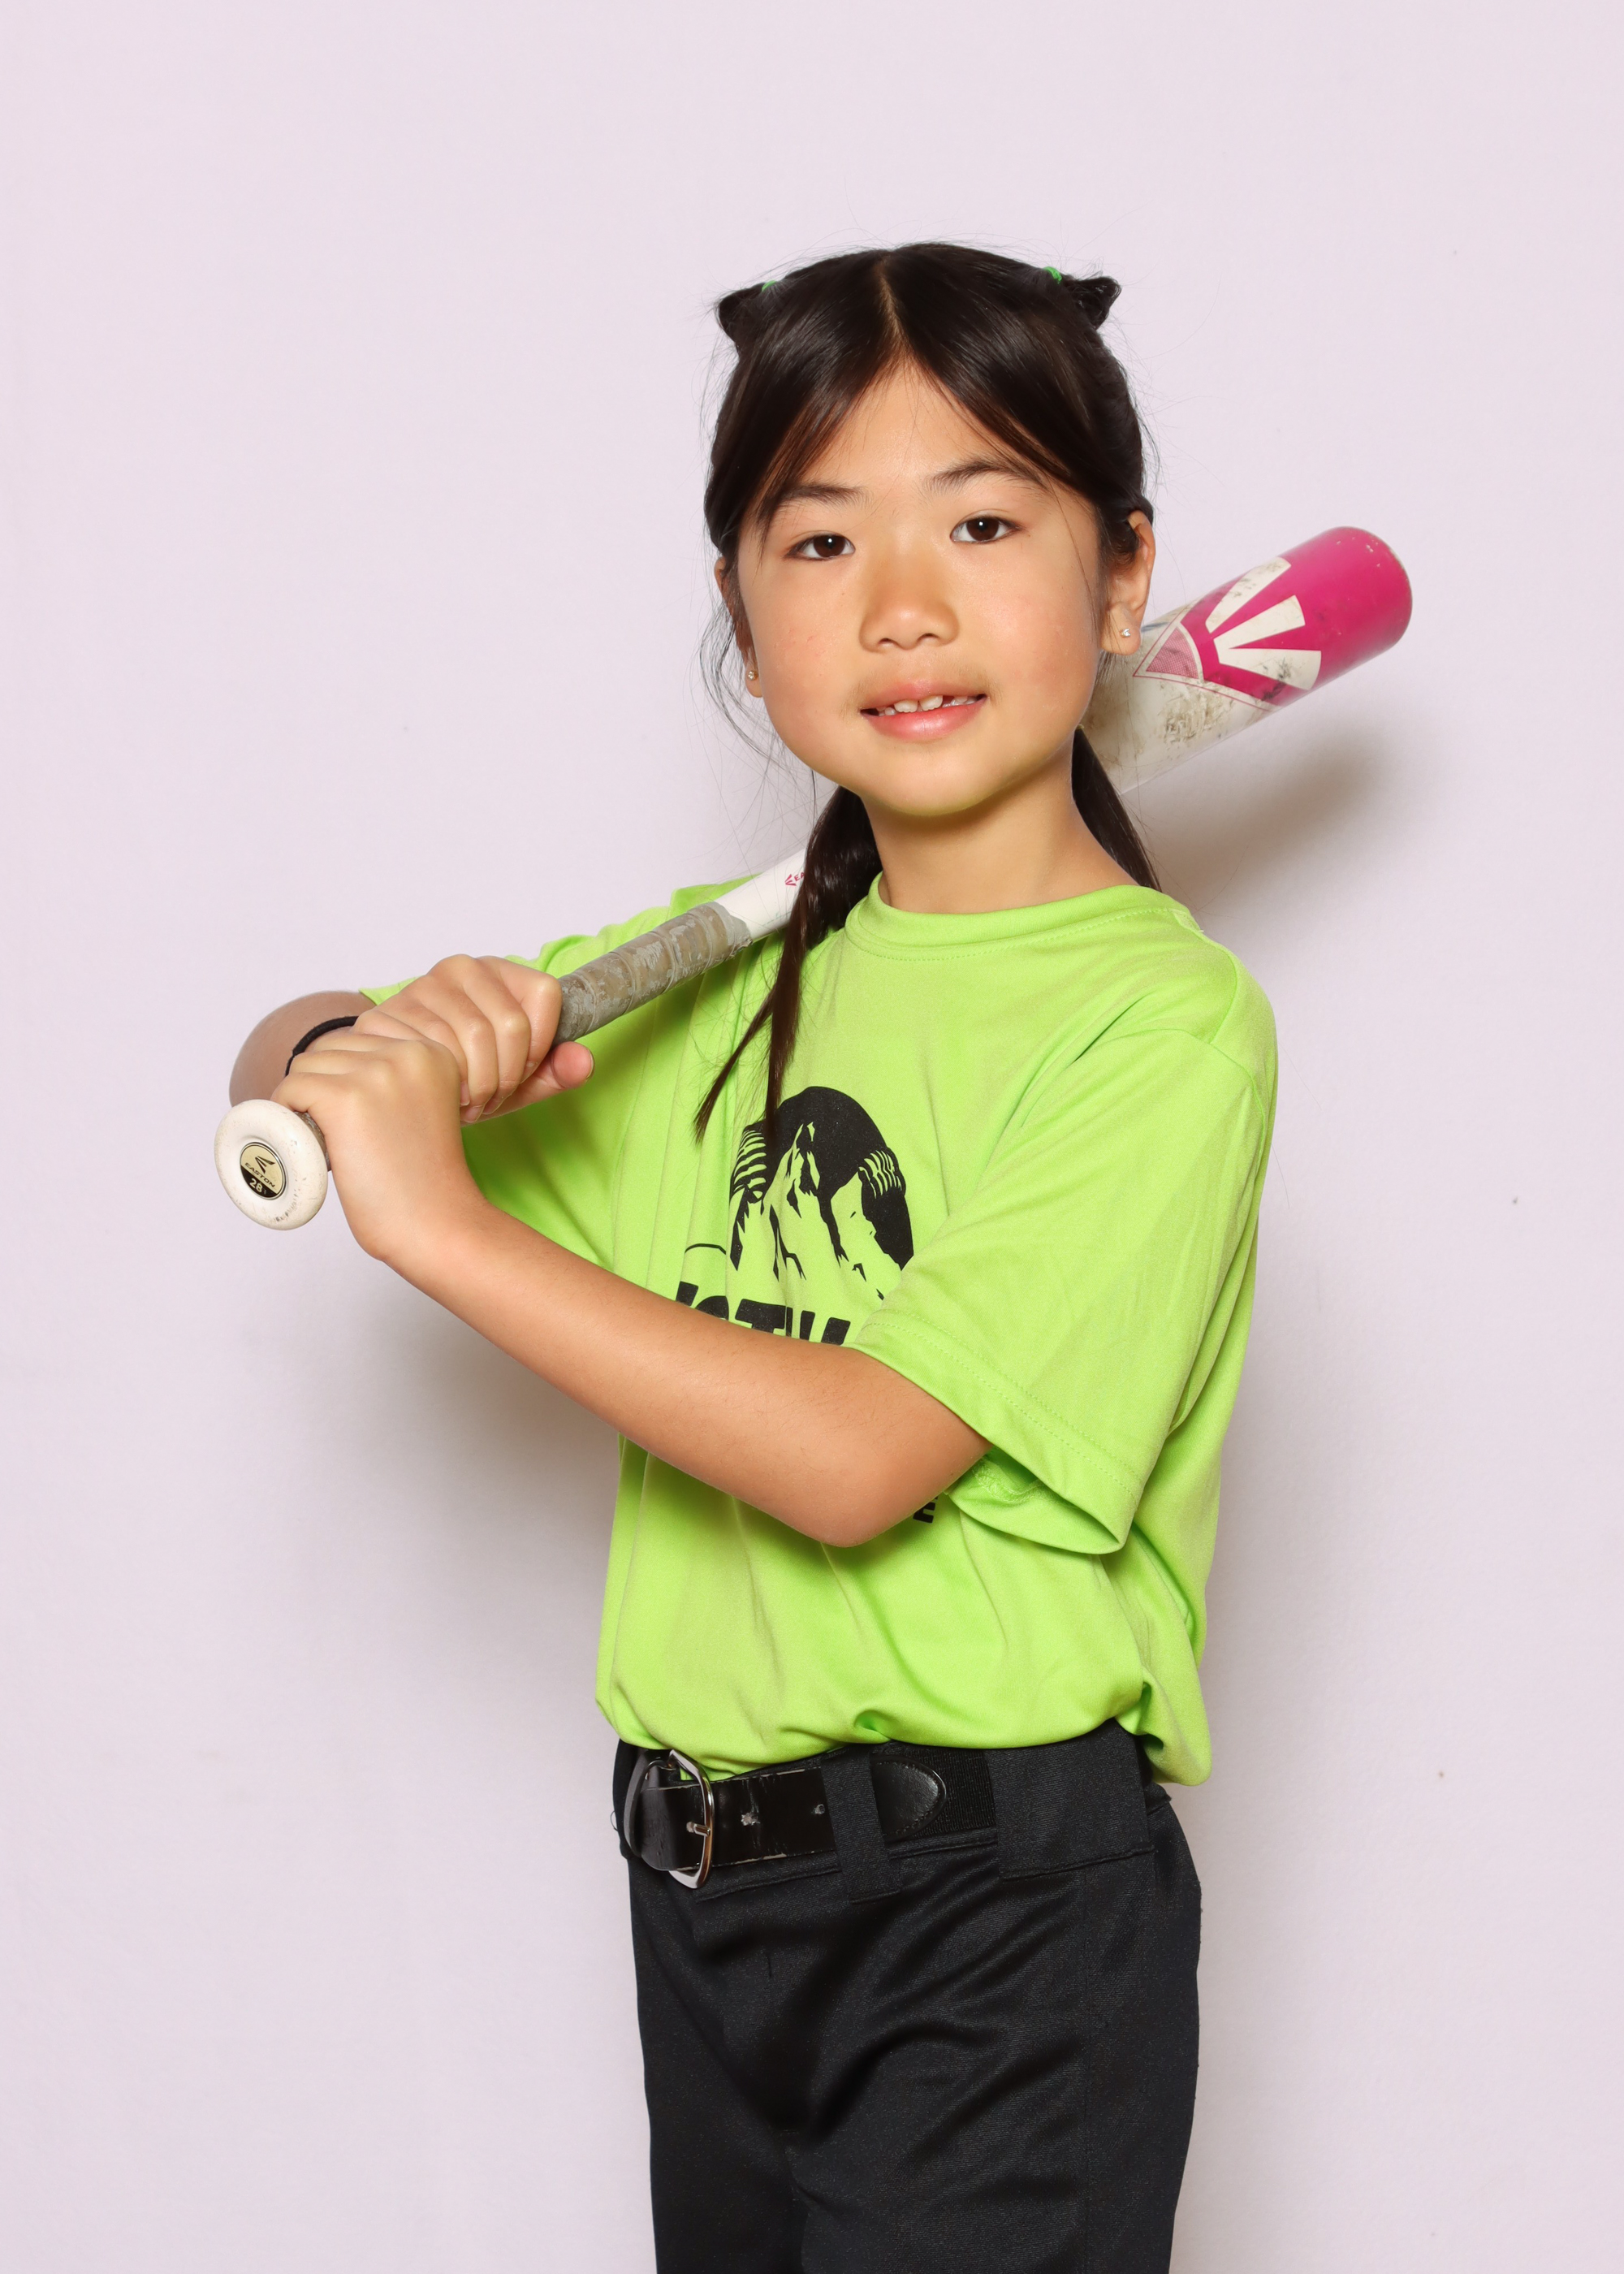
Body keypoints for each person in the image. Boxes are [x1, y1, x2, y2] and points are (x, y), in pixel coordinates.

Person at [231, 243, 1277, 2273]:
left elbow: (855, 1452)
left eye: (984, 522)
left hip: (995, 1928)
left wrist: (441, 1219)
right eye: (818, 539)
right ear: (739, 599)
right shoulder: (720, 978)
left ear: (1122, 576)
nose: (902, 603)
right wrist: (363, 1041)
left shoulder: (1160, 1025)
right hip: (704, 1904)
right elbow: (292, 1071)